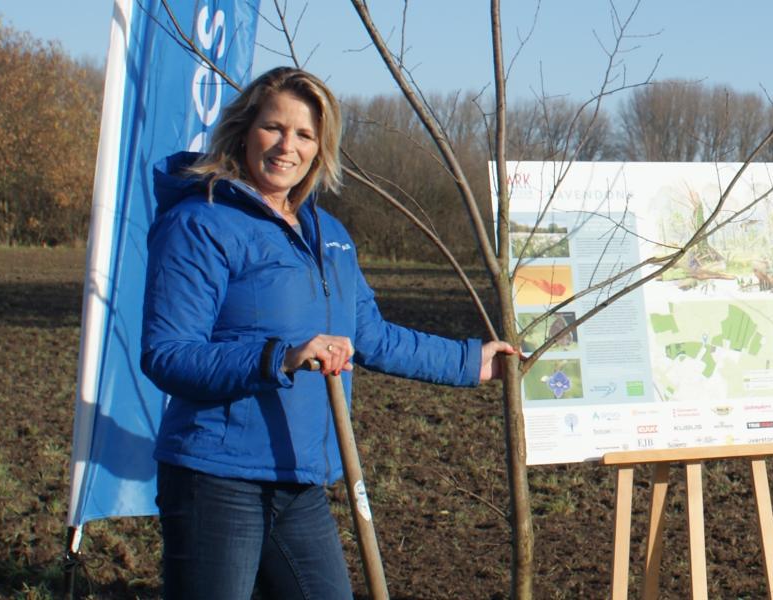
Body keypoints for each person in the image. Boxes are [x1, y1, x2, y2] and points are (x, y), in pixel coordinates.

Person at [141, 67, 517, 599]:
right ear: (245, 130)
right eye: (274, 127)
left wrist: (470, 362)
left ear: (321, 148)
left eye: (304, 134)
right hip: (216, 478)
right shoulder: (200, 223)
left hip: (299, 478)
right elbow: (168, 354)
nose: (287, 147)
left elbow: (371, 336)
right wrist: (281, 357)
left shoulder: (329, 235)